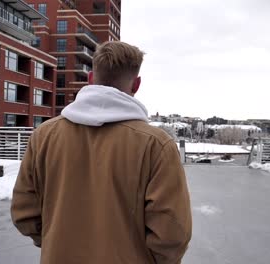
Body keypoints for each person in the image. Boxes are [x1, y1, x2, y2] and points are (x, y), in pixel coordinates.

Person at [11, 41, 192, 264]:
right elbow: (172, 232)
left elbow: (24, 212)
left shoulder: (44, 136)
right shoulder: (157, 145)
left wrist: (55, 242)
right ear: (136, 84)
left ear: (90, 79)